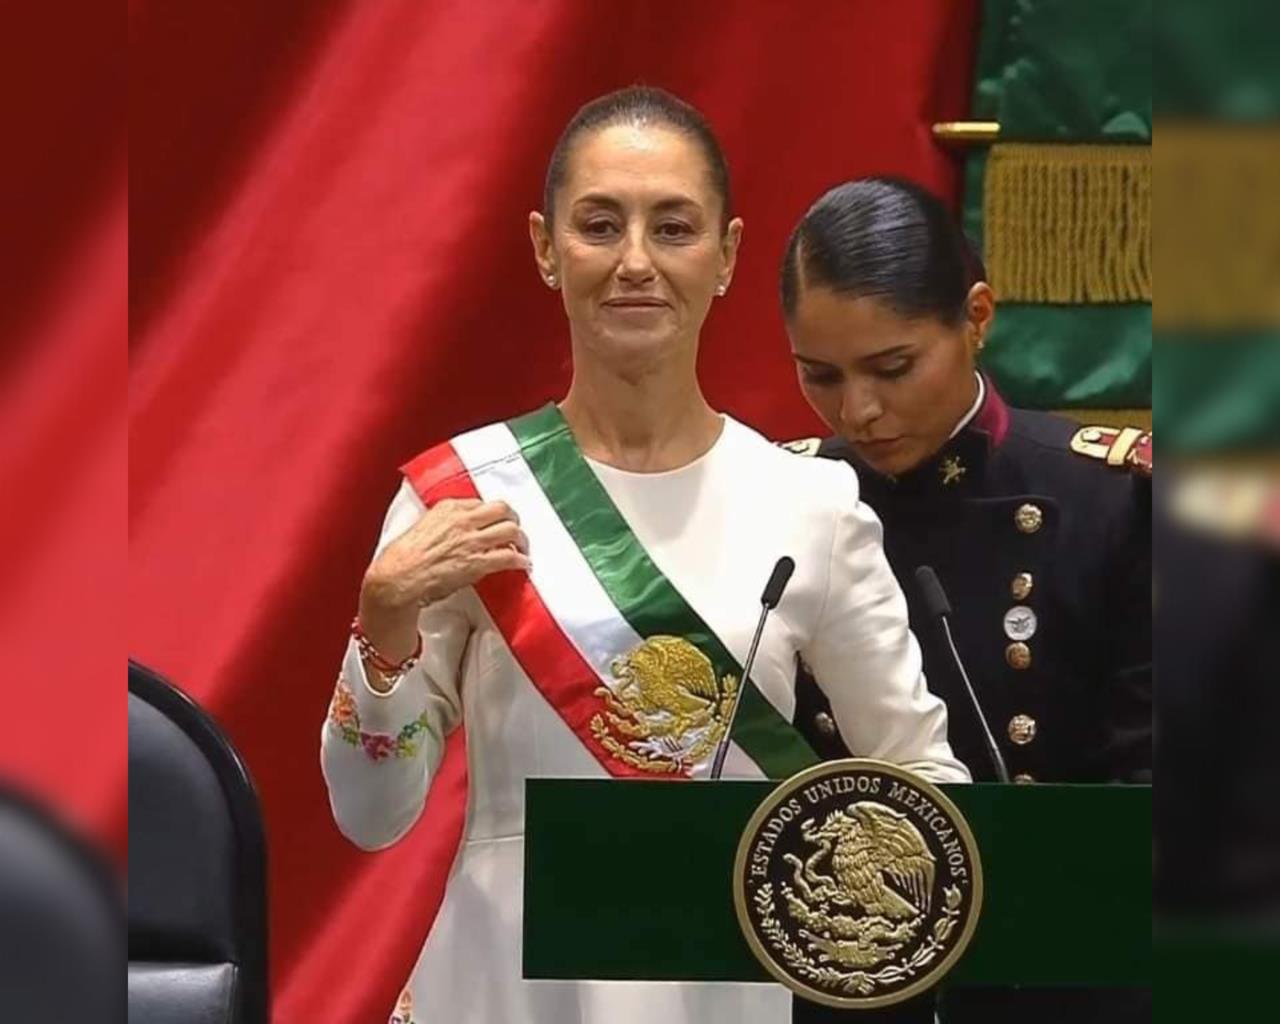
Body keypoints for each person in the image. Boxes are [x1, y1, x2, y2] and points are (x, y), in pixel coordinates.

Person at [320, 91, 968, 1024]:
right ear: (546, 248)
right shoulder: (460, 496)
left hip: (726, 981)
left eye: (672, 227)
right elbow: (369, 815)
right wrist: (382, 625)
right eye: (598, 225)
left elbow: (922, 783)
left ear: (727, 256)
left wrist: (837, 928)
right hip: (510, 980)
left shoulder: (812, 505)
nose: (635, 262)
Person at [779, 176, 1151, 1023]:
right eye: (820, 375)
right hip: (838, 974)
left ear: (976, 316)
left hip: (1070, 972)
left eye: (894, 367)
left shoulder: (1114, 500)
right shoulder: (779, 497)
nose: (860, 410)